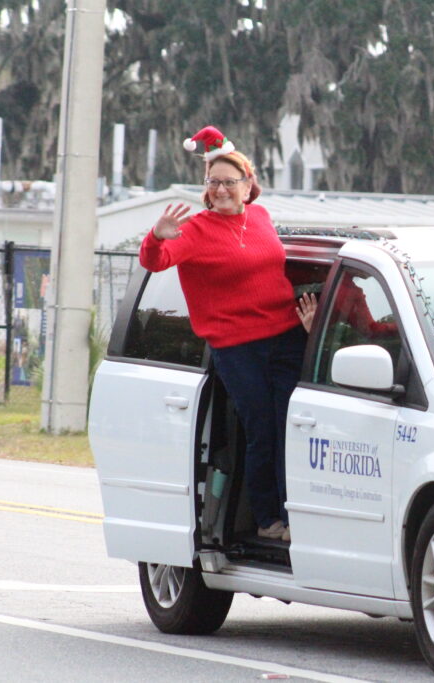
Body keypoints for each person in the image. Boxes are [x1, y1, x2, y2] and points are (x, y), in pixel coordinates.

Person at [139, 125, 315, 543]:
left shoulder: (261, 217)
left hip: (287, 336)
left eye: (229, 182)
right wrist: (155, 236)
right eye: (213, 182)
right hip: (237, 348)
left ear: (248, 184)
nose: (220, 190)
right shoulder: (196, 230)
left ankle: (301, 517)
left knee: (292, 426)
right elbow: (157, 261)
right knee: (262, 431)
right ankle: (270, 519)